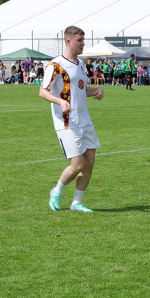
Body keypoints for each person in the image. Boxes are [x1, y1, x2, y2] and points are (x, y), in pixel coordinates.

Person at [40, 26, 104, 213]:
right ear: (68, 41)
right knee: (78, 164)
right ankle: (57, 191)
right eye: (79, 40)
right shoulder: (55, 65)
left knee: (90, 160)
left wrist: (96, 92)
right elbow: (43, 91)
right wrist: (59, 101)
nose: (83, 43)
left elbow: (82, 89)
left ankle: (77, 203)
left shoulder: (80, 64)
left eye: (83, 40)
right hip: (67, 122)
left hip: (84, 119)